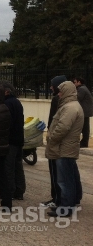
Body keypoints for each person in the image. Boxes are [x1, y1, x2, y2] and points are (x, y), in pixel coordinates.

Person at [45, 81, 84, 217]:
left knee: (64, 180)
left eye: (61, 91)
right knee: (69, 177)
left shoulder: (70, 108)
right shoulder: (70, 106)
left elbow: (63, 127)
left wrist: (52, 138)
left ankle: (66, 207)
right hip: (65, 147)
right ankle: (68, 203)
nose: (59, 94)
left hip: (64, 148)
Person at [0, 82, 26, 201]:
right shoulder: (17, 102)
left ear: (6, 92)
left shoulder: (7, 104)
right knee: (17, 166)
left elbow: (8, 122)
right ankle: (19, 190)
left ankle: (9, 191)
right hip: (18, 139)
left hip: (10, 140)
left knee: (8, 167)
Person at [41, 75, 67, 209]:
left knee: (56, 172)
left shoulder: (58, 100)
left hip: (56, 141)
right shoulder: (69, 100)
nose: (51, 87)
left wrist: (50, 136)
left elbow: (55, 121)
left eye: (53, 85)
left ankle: (57, 198)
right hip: (64, 143)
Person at [73, 77, 93, 148]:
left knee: (84, 128)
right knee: (84, 128)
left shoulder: (82, 89)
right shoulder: (83, 88)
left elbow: (78, 98)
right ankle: (84, 142)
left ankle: (84, 143)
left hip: (85, 111)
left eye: (75, 82)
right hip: (85, 111)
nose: (74, 84)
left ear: (79, 82)